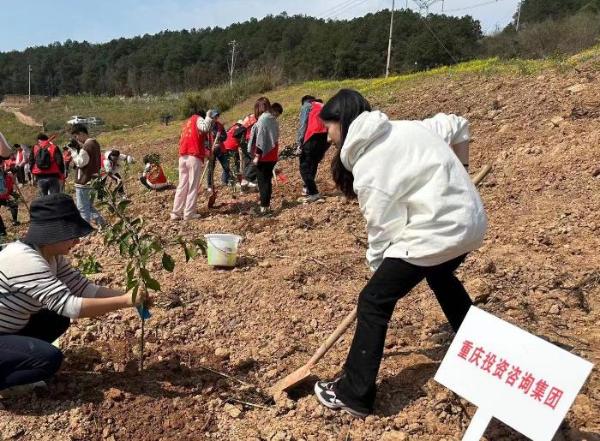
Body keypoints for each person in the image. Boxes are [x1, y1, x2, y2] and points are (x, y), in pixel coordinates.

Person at [313, 89, 487, 418]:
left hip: (440, 231)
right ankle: (476, 342)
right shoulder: (409, 127)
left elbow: (383, 232)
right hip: (471, 223)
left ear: (345, 122)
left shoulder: (369, 166)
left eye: (329, 126)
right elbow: (458, 125)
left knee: (374, 301)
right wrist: (463, 170)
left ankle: (354, 394)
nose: (327, 134)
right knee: (438, 273)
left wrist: (378, 277)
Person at [0, 193, 149, 394]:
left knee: (56, 319)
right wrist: (125, 301)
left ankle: (15, 359)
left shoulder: (50, 256)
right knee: (48, 360)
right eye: (72, 234)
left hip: (8, 329)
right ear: (52, 233)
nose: (77, 241)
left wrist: (128, 294)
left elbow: (84, 289)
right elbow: (71, 306)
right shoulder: (25, 261)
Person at [171, 109, 214, 221]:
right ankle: (189, 213)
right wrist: (208, 117)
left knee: (182, 185)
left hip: (183, 157)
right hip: (193, 157)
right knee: (192, 186)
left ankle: (176, 213)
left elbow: (195, 140)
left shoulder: (187, 124)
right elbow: (205, 127)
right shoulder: (197, 118)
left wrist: (207, 153)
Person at [68, 124, 106, 227]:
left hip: (84, 181)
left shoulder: (87, 146)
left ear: (81, 133)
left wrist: (73, 152)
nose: (77, 139)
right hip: (93, 179)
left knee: (82, 208)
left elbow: (80, 162)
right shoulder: (95, 143)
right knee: (88, 206)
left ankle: (86, 230)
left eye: (76, 136)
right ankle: (102, 223)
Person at [248, 97, 280, 215]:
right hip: (272, 154)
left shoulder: (263, 119)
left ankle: (264, 207)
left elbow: (260, 139)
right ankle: (266, 206)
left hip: (264, 156)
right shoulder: (273, 118)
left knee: (263, 182)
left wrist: (257, 155)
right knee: (267, 181)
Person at [296, 96, 330, 202]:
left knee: (304, 166)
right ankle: (307, 188)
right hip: (325, 138)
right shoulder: (323, 106)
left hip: (313, 137)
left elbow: (303, 125)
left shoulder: (307, 105)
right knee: (313, 163)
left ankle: (313, 192)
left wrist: (299, 143)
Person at [205, 110, 230, 192]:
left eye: (216, 116)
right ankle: (209, 185)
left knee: (226, 166)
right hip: (211, 150)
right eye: (214, 117)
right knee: (211, 168)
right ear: (211, 117)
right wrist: (209, 147)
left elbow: (225, 136)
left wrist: (219, 138)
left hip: (220, 149)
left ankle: (224, 181)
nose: (216, 118)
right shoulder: (206, 126)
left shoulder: (220, 126)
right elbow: (204, 140)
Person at [222, 120, 247, 188]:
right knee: (235, 164)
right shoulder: (239, 129)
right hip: (232, 147)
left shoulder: (231, 128)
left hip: (224, 147)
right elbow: (240, 140)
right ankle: (235, 181)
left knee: (227, 164)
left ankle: (224, 180)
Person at [0, 163, 19, 236]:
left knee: (14, 204)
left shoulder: (8, 177)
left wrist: (14, 194)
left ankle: (13, 222)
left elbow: (10, 189)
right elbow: (10, 189)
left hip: (5, 196)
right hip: (4, 196)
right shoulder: (8, 177)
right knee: (14, 204)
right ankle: (2, 230)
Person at [240, 113, 258, 189]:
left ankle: (246, 182)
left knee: (247, 162)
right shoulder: (255, 118)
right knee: (255, 159)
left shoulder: (247, 118)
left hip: (244, 141)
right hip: (250, 140)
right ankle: (247, 178)